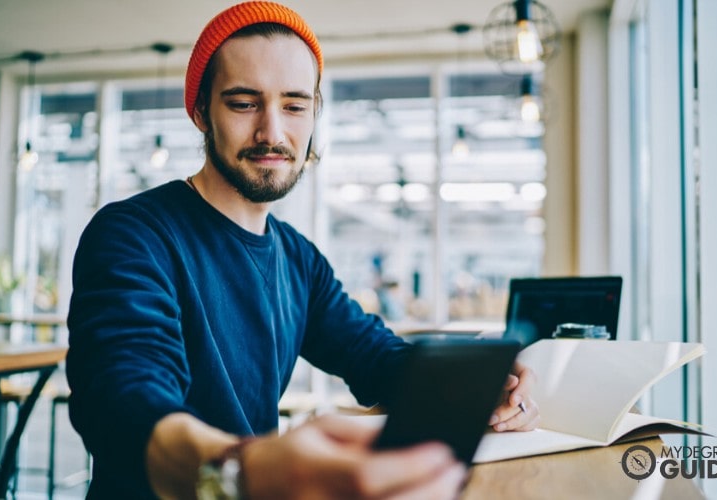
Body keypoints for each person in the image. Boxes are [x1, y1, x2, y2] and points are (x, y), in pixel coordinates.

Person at [65, 2, 540, 499]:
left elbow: (375, 357)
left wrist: (480, 387)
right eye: (244, 103)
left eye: (293, 105)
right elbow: (125, 401)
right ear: (202, 111)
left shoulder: (299, 260)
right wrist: (241, 473)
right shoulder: (133, 233)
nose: (273, 132)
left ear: (314, 113)